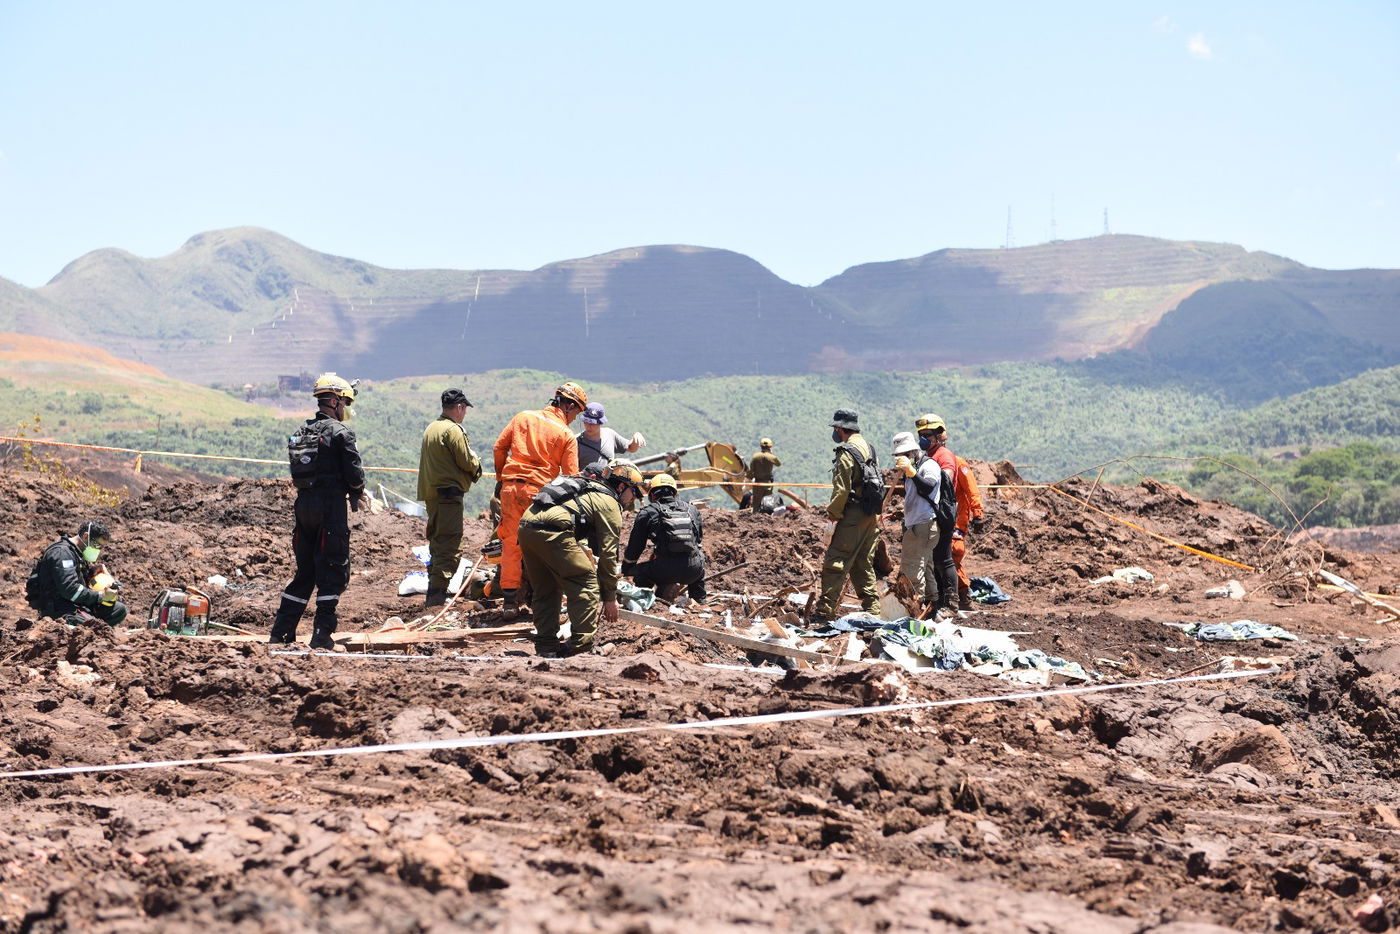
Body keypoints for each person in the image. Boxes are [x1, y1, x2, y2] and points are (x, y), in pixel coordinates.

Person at [270, 373, 367, 648]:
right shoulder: (341, 433)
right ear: (335, 400)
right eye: (344, 403)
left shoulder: (301, 431)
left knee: (306, 572)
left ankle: (280, 633)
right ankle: (322, 635)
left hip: (304, 506)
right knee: (333, 568)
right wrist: (358, 493)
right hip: (330, 507)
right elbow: (354, 473)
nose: (345, 409)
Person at [517, 458, 645, 657]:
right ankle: (581, 648)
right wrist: (609, 598)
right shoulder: (610, 503)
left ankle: (546, 646)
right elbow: (609, 554)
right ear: (621, 486)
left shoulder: (587, 487)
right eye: (634, 492)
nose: (633, 499)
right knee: (585, 582)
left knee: (546, 588)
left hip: (526, 527)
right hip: (554, 531)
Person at [493, 382, 588, 615]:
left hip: (510, 488)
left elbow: (499, 448)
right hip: (540, 495)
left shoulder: (522, 417)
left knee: (511, 542)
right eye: (577, 412)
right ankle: (542, 598)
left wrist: (501, 479)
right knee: (543, 544)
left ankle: (509, 601)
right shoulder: (566, 434)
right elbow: (571, 478)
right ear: (570, 406)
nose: (576, 418)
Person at [812, 409, 881, 623]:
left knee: (836, 561)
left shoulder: (847, 452)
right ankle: (873, 610)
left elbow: (841, 490)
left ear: (841, 428)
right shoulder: (869, 448)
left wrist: (833, 516)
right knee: (862, 563)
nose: (835, 432)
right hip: (871, 515)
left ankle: (824, 613)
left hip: (852, 515)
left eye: (835, 428)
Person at [416, 388, 483, 607]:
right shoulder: (453, 430)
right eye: (464, 409)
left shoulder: (431, 428)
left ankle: (434, 591)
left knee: (437, 541)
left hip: (433, 496)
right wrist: (477, 466)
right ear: (460, 407)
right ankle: (437, 596)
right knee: (449, 543)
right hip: (448, 496)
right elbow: (466, 461)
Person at [623, 473, 707, 603]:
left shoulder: (648, 512)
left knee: (642, 572)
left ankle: (645, 601)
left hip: (665, 570)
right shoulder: (692, 510)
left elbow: (636, 546)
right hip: (693, 571)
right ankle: (700, 601)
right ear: (675, 493)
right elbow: (698, 540)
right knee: (698, 562)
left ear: (651, 495)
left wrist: (627, 567)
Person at [26, 519, 128, 626]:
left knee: (118, 610)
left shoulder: (77, 553)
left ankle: (92, 627)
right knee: (93, 625)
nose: (98, 550)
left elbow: (76, 578)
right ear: (85, 536)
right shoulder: (63, 553)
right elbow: (70, 589)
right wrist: (100, 596)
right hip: (61, 608)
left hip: (76, 604)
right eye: (97, 545)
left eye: (101, 547)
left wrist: (93, 573)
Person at [914, 412, 960, 618]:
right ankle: (938, 600)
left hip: (943, 510)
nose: (924, 438)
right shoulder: (930, 456)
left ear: (940, 435)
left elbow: (945, 481)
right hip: (931, 510)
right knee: (933, 558)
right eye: (921, 434)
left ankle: (951, 604)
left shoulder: (944, 456)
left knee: (944, 558)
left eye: (928, 434)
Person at [891, 431, 943, 609]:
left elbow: (928, 487)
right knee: (926, 566)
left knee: (912, 568)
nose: (902, 458)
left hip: (924, 523)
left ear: (913, 451)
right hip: (916, 523)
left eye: (904, 455)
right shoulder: (911, 468)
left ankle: (915, 608)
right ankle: (933, 607)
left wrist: (911, 472)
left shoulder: (929, 466)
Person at [951, 454, 987, 610]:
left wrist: (977, 512)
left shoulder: (958, 463)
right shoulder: (931, 461)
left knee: (953, 553)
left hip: (956, 518)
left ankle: (963, 597)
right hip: (937, 518)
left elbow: (971, 489)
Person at [575, 403, 645, 473]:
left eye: (593, 423)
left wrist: (636, 436)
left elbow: (631, 448)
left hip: (607, 483)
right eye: (586, 421)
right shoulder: (575, 441)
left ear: (600, 422)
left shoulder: (610, 434)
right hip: (586, 482)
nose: (589, 425)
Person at [746, 438, 782, 513]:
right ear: (770, 447)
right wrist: (771, 454)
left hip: (758, 483)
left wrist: (748, 478)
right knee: (768, 501)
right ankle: (767, 516)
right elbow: (778, 464)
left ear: (761, 446)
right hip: (768, 483)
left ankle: (754, 516)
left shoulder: (755, 456)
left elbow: (751, 470)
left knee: (756, 502)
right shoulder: (772, 457)